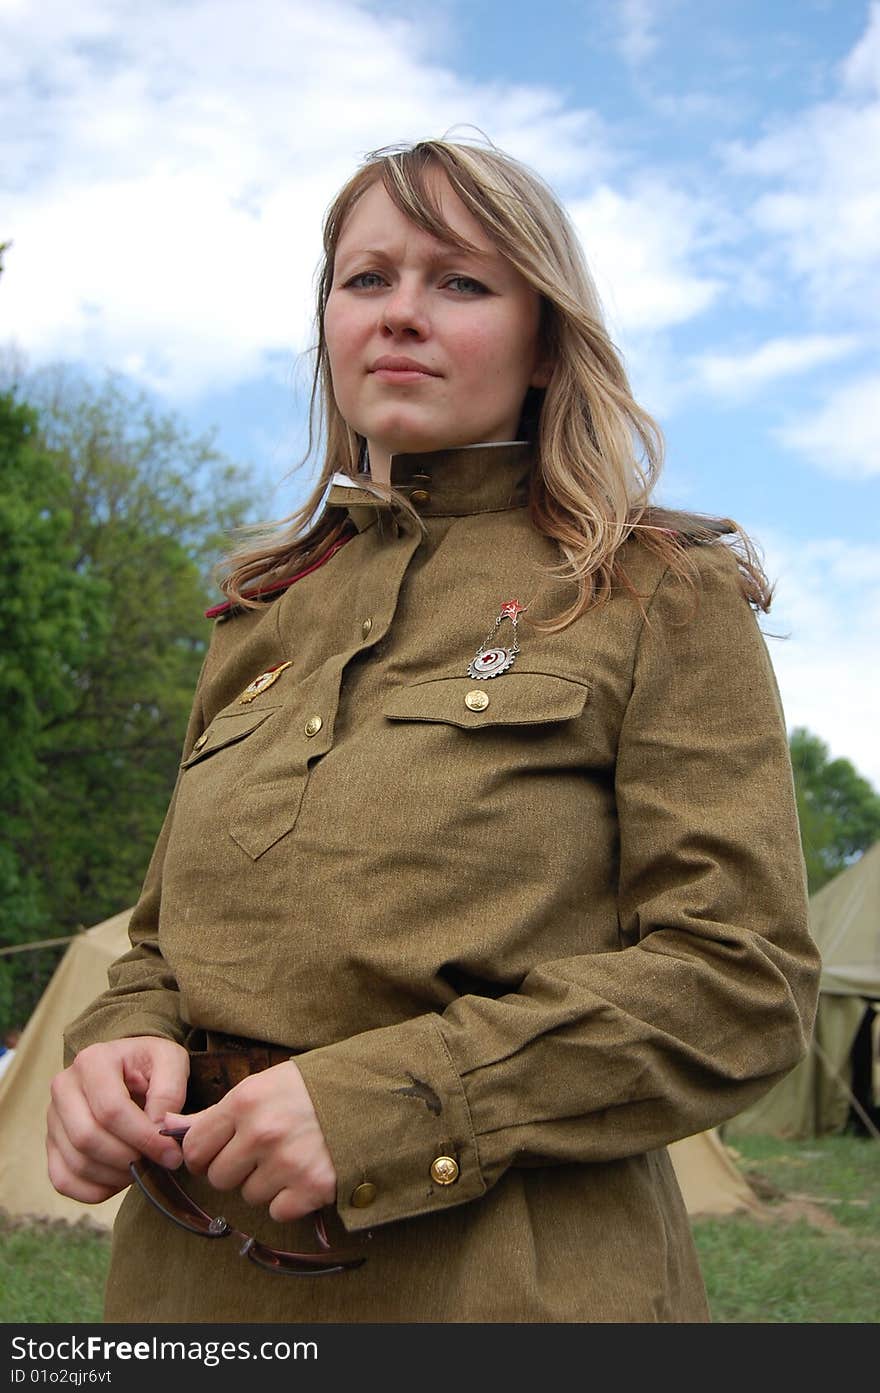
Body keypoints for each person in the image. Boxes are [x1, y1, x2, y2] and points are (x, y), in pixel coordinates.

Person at [47, 137, 821, 1323]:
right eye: (366, 279)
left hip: (507, 1289)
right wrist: (115, 1040)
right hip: (185, 1292)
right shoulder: (263, 611)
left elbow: (741, 982)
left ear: (544, 339)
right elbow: (160, 945)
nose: (401, 312)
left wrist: (396, 1105)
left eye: (459, 281)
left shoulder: (654, 592)